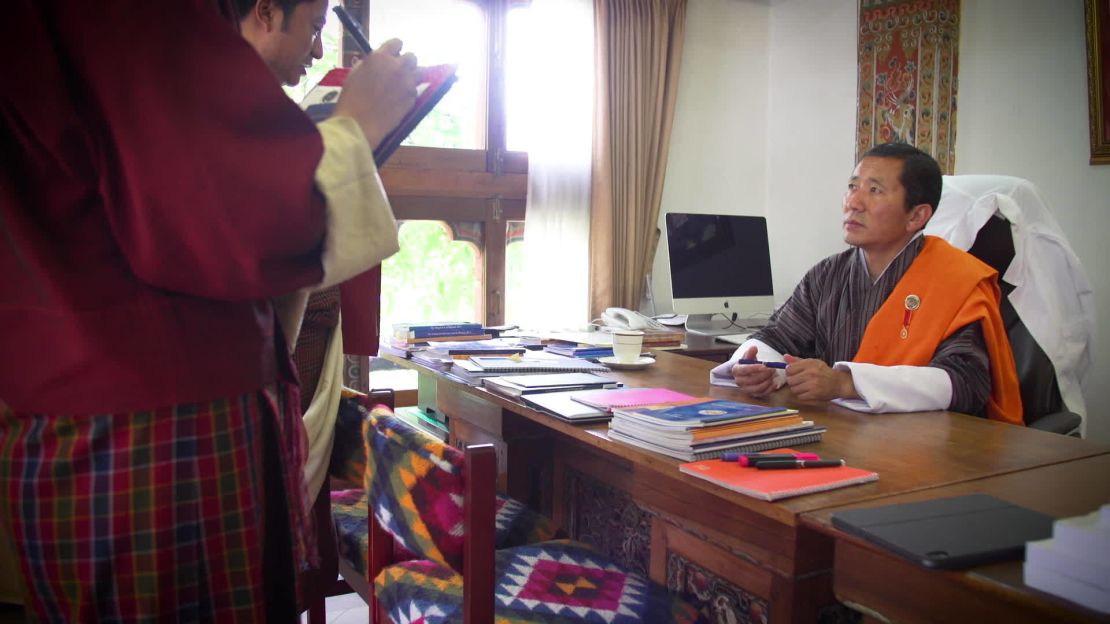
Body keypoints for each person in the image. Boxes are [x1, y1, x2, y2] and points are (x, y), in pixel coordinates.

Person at [0, 1, 420, 621]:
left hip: (85, 407)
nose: (314, 45)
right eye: (312, 24)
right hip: (152, 430)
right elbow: (234, 216)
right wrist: (358, 123)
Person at [710, 143, 1022, 424]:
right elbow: (777, 335)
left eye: (874, 190)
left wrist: (847, 384)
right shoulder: (828, 274)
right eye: (852, 186)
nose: (854, 202)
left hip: (926, 447)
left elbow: (965, 382)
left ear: (916, 216)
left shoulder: (957, 281)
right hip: (839, 432)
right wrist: (756, 367)